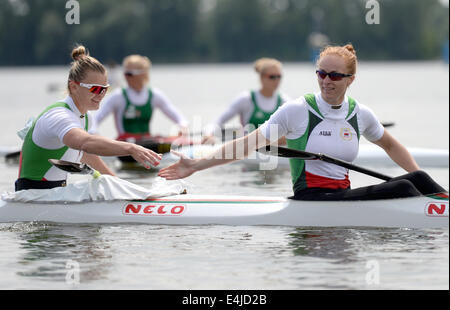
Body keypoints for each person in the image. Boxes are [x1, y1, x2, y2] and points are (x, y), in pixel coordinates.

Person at [158, 44, 445, 200]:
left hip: (342, 195)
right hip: (312, 197)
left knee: (415, 179)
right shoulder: (296, 110)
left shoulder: (361, 113)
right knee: (408, 187)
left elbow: (391, 146)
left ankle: (438, 203)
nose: (326, 81)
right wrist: (196, 165)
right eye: (321, 73)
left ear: (350, 80)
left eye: (334, 76)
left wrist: (421, 182)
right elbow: (247, 144)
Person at [15, 45, 161, 191]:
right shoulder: (59, 116)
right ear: (73, 87)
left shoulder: (85, 117)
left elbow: (88, 155)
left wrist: (119, 185)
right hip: (31, 198)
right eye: (95, 89)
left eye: (105, 89)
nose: (101, 95)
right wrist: (130, 147)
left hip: (52, 196)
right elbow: (85, 143)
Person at [93, 54, 189, 141]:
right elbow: (95, 119)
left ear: (142, 74)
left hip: (146, 143)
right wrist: (94, 133)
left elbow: (178, 116)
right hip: (125, 145)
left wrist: (182, 126)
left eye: (129, 74)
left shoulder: (154, 95)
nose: (125, 77)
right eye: (125, 73)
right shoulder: (118, 96)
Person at [202, 58, 290, 143]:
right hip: (248, 150)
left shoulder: (284, 101)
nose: (276, 80)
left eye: (279, 76)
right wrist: (208, 134)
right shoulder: (246, 99)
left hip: (274, 150)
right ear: (262, 78)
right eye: (272, 77)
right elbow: (218, 120)